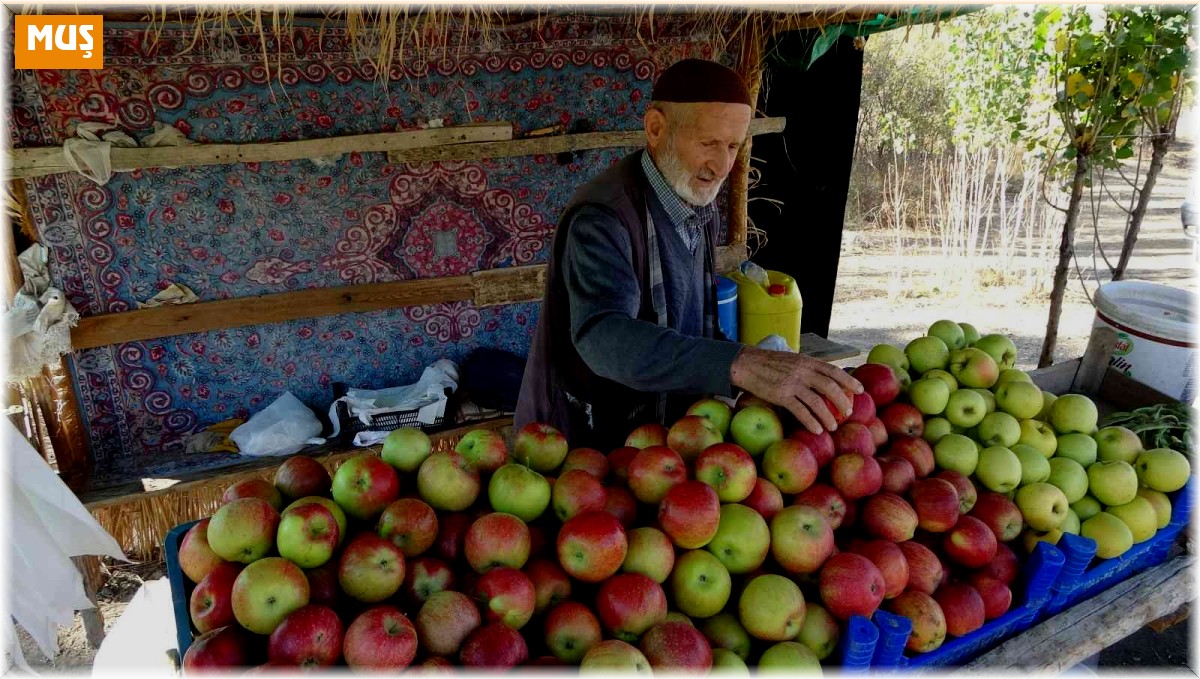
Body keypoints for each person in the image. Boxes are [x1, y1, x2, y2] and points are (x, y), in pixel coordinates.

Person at [516, 59, 861, 450]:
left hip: (665, 444)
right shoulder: (602, 217)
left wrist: (750, 365)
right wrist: (737, 363)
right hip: (585, 443)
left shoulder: (695, 200)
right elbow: (602, 335)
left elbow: (693, 320)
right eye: (708, 143)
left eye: (733, 146)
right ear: (656, 128)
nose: (721, 166)